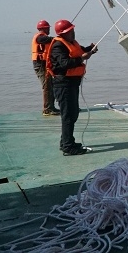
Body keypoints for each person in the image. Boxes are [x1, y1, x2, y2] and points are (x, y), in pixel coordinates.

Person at [45, 19, 98, 156]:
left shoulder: (70, 43)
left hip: (72, 83)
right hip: (63, 84)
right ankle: (68, 147)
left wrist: (90, 49)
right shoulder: (58, 46)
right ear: (63, 34)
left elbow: (79, 52)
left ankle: (66, 142)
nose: (73, 33)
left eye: (73, 30)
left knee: (73, 114)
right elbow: (64, 63)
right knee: (68, 115)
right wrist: (82, 58)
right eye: (70, 31)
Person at [31, 20, 60, 116]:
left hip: (45, 64)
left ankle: (51, 107)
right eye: (47, 28)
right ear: (42, 28)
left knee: (50, 84)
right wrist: (59, 38)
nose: (49, 29)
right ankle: (47, 109)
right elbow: (49, 40)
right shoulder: (40, 37)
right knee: (47, 85)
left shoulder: (44, 38)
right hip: (40, 64)